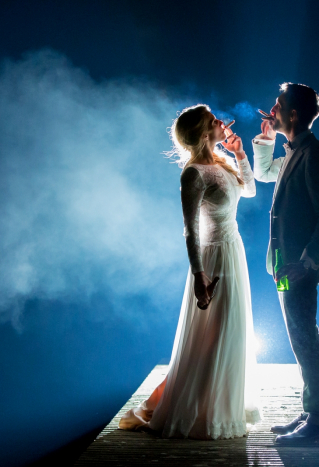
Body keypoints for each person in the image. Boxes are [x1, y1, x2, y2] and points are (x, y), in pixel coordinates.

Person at [118, 104, 261, 439]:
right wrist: (199, 276)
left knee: (231, 334)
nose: (220, 123)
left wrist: (239, 153)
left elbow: (250, 190)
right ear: (201, 132)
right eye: (213, 121)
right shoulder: (193, 173)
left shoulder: (221, 163)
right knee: (213, 336)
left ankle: (217, 406)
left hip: (233, 253)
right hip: (212, 259)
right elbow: (190, 230)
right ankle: (192, 409)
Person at [252, 83, 319, 445]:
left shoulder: (313, 154)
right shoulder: (294, 151)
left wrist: (306, 263)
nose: (271, 109)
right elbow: (263, 174)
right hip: (283, 266)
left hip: (298, 269)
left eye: (278, 105)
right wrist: (266, 140)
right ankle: (310, 411)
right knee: (297, 334)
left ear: (292, 114)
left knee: (305, 337)